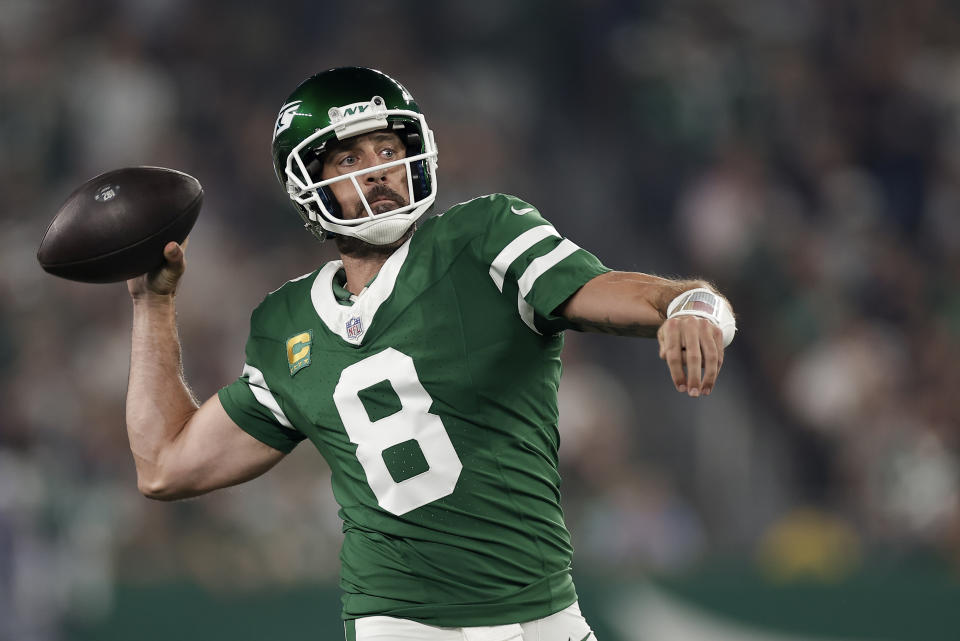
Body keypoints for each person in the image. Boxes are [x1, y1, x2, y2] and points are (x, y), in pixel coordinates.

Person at [125, 66, 736, 641]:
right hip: (402, 625)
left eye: (389, 151)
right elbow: (165, 466)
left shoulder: (484, 237)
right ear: (308, 182)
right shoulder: (284, 324)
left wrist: (694, 306)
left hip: (543, 614)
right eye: (350, 157)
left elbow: (632, 296)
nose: (379, 171)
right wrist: (153, 305)